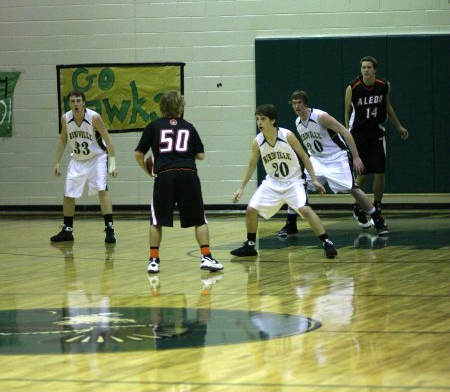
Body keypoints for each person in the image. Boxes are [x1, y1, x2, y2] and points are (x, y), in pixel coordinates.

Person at [230, 103, 337, 259]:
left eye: (263, 119)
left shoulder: (287, 135)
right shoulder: (257, 141)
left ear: (272, 121)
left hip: (294, 183)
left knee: (306, 210)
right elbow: (252, 164)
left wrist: (314, 179)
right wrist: (241, 188)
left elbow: (304, 157)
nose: (259, 122)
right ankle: (250, 246)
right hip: (272, 183)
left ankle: (327, 242)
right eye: (257, 119)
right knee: (251, 210)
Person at [134, 90, 223, 275]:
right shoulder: (189, 126)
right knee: (199, 219)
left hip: (165, 174)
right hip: (188, 174)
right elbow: (201, 155)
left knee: (157, 220)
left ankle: (153, 260)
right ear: (180, 106)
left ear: (161, 107)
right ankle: (206, 256)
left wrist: (149, 170)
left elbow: (138, 154)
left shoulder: (153, 126)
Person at [278, 90, 389, 238]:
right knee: (296, 184)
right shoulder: (298, 122)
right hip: (317, 160)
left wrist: (356, 156)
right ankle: (291, 223)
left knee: (353, 189)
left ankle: (377, 219)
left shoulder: (320, 116)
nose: (297, 106)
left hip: (336, 157)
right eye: (294, 103)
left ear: (306, 104)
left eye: (299, 103)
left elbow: (345, 131)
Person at [344, 56, 409, 226]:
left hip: (376, 131)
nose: (365, 70)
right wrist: (347, 133)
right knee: (362, 174)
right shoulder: (352, 87)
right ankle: (358, 206)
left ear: (375, 70)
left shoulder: (383, 85)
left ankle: (377, 205)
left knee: (380, 172)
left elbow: (387, 106)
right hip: (358, 133)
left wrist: (398, 126)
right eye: (363, 67)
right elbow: (347, 112)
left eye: (368, 67)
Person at [50, 89, 118, 244]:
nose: (76, 104)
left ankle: (110, 229)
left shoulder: (94, 117)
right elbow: (62, 141)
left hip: (97, 158)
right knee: (68, 194)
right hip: (78, 160)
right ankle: (67, 230)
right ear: (69, 103)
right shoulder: (65, 118)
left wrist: (113, 163)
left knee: (102, 189)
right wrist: (57, 162)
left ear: (84, 102)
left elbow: (107, 140)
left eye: (78, 101)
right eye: (73, 101)